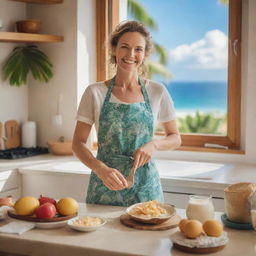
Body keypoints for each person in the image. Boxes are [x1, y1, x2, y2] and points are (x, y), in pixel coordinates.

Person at [72, 20, 181, 206]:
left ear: (145, 54)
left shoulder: (157, 91)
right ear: (114, 49)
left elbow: (175, 137)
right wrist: (101, 169)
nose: (131, 54)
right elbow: (78, 143)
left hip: (145, 186)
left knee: (147, 232)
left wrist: (154, 145)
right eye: (124, 47)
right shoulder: (95, 92)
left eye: (138, 49)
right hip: (105, 183)